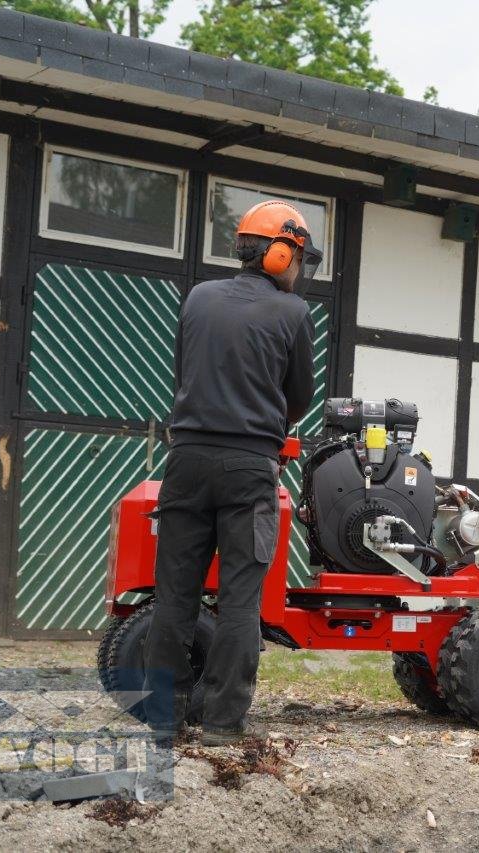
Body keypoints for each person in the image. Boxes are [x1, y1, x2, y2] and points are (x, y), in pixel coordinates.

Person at [143, 200, 321, 746]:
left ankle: (160, 721)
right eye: (298, 258)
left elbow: (184, 374)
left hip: (187, 461)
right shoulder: (292, 314)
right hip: (249, 468)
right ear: (281, 252)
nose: (298, 270)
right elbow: (298, 399)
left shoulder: (198, 297)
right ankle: (222, 724)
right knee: (240, 599)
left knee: (174, 595)